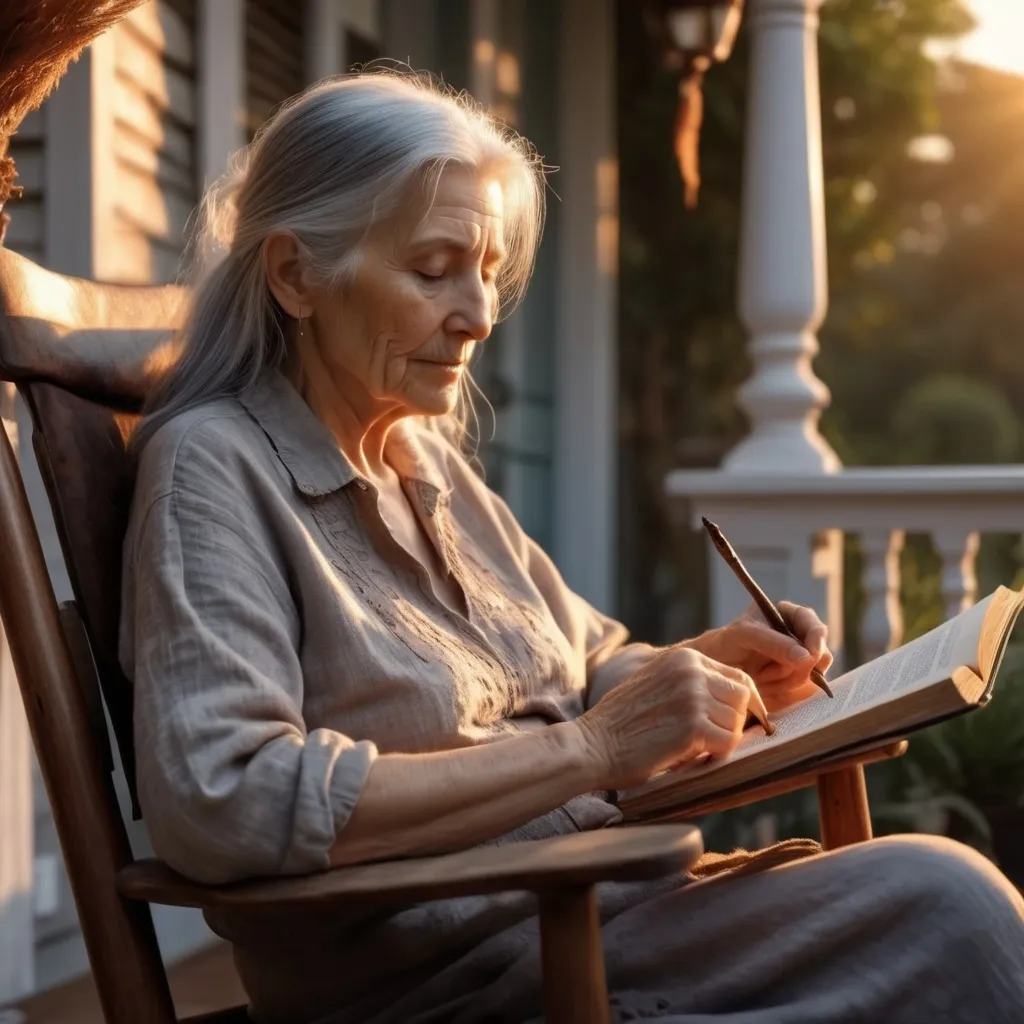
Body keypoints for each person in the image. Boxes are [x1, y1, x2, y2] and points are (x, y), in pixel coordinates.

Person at [121, 71, 1024, 1024]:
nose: (476, 314)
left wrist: (700, 670)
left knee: (953, 911)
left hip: (607, 914)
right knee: (952, 910)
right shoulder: (212, 470)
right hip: (469, 972)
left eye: (486, 270)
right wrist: (593, 749)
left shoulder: (422, 459)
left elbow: (588, 656)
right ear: (296, 274)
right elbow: (224, 799)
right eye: (434, 270)